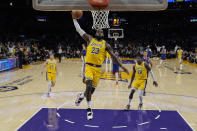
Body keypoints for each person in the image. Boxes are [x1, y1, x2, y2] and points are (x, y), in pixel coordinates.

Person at [72, 13, 129, 120]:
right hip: (88, 66)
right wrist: (74, 20)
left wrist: (122, 66)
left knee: (91, 91)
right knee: (88, 86)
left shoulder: (106, 45)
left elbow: (114, 57)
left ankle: (81, 96)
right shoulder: (89, 38)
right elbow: (79, 30)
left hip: (98, 69)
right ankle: (89, 110)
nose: (100, 31)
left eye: (102, 31)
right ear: (95, 32)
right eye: (98, 30)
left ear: (103, 34)